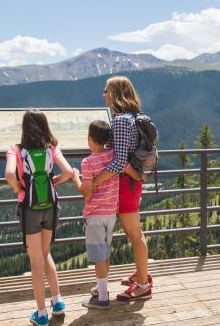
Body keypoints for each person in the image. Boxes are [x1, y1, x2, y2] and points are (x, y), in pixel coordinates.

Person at [5, 109, 72, 326]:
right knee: (45, 253)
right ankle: (58, 301)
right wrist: (54, 182)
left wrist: (18, 188)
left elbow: (8, 174)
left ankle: (41, 314)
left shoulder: (15, 150)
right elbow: (70, 172)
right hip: (50, 207)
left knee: (35, 262)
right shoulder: (52, 149)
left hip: (29, 208)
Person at [91, 76, 153, 301]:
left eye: (106, 91)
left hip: (125, 185)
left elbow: (119, 161)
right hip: (131, 182)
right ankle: (142, 274)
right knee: (134, 233)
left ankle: (143, 285)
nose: (104, 95)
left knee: (134, 235)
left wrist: (95, 180)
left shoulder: (120, 120)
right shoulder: (135, 117)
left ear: (116, 93)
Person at [72, 120, 141, 309]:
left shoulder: (87, 162)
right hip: (111, 213)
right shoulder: (114, 156)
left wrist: (75, 178)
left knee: (98, 257)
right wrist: (138, 176)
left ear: (89, 139)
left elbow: (87, 193)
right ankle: (101, 287)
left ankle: (102, 297)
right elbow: (132, 172)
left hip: (94, 215)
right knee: (105, 253)